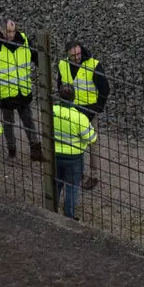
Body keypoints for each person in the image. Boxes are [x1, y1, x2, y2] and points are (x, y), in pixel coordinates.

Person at [0, 20, 42, 163]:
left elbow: (37, 58)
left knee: (28, 121)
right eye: (8, 31)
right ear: (1, 30)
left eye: (13, 31)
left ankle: (36, 151)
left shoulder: (24, 40)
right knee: (8, 124)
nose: (12, 34)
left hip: (22, 91)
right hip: (4, 94)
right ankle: (12, 152)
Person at [59, 41, 109, 189]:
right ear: (67, 55)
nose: (77, 58)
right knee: (74, 142)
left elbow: (105, 89)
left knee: (92, 143)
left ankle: (94, 175)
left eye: (78, 54)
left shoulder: (93, 65)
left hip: (90, 110)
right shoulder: (63, 65)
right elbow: (60, 85)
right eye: (73, 56)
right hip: (72, 110)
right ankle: (78, 172)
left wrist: (96, 109)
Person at [49, 83, 97, 219]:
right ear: (74, 98)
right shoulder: (79, 117)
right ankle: (69, 216)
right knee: (72, 187)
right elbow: (91, 138)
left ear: (59, 96)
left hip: (54, 154)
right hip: (73, 158)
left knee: (56, 184)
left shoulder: (51, 111)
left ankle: (51, 210)